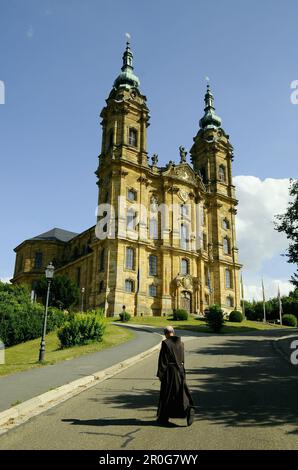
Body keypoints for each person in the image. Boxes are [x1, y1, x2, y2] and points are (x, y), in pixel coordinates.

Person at [156, 326, 195, 426]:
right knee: (180, 393)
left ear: (166, 333)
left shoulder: (166, 343)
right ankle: (188, 409)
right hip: (180, 371)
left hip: (170, 372)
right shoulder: (181, 343)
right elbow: (182, 359)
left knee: (167, 394)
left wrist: (160, 374)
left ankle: (163, 418)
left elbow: (163, 360)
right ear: (173, 332)